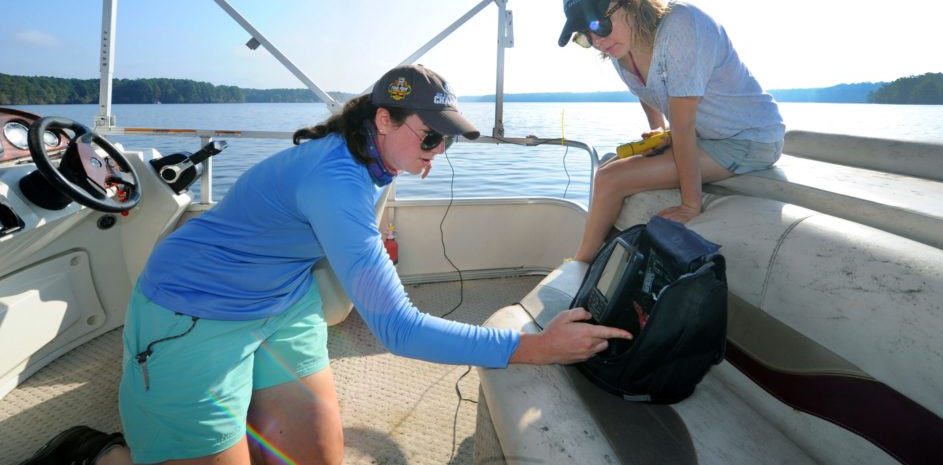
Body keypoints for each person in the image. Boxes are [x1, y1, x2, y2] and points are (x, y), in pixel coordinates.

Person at [21, 64, 632, 465]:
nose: (436, 155)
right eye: (429, 138)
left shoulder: (370, 162)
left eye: (447, 140)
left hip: (283, 301)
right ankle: (105, 454)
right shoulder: (336, 181)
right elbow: (397, 328)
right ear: (383, 120)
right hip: (192, 313)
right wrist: (537, 348)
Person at [558, 0, 785, 263]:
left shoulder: (681, 26)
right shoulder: (620, 48)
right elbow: (647, 89)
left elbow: (684, 124)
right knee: (609, 167)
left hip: (751, 139)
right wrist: (658, 129)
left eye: (600, 23)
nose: (598, 41)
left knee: (610, 180)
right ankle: (591, 260)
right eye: (586, 36)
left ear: (633, 2)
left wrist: (690, 206)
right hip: (710, 137)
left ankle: (579, 265)